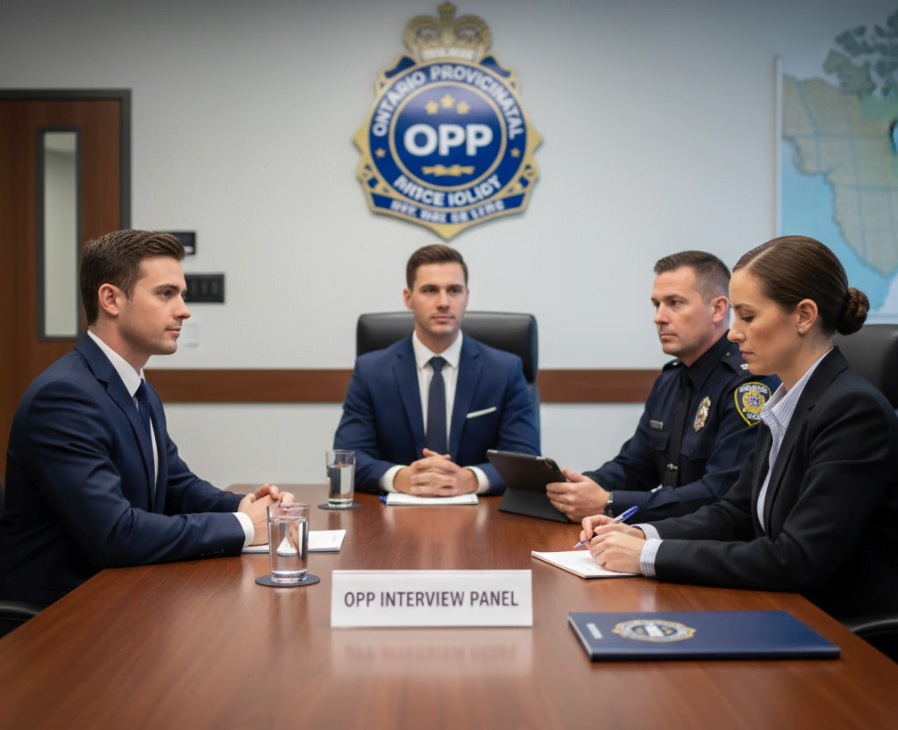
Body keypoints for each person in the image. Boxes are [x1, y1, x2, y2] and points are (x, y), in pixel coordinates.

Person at [582, 236, 898, 622]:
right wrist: (645, 534)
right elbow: (736, 513)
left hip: (839, 629)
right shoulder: (787, 399)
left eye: (747, 316)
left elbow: (796, 558)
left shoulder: (852, 410)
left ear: (803, 316)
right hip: (783, 609)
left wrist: (648, 556)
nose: (733, 333)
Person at [0, 230, 293, 611]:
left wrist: (244, 506)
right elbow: (115, 533)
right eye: (166, 293)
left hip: (123, 597)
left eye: (182, 294)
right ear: (110, 299)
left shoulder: (136, 386)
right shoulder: (63, 397)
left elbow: (173, 483)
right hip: (61, 619)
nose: (184, 309)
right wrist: (245, 527)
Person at [547, 251, 778, 523]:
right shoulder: (670, 379)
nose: (659, 317)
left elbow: (719, 493)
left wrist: (608, 503)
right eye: (657, 304)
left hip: (719, 546)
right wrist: (576, 489)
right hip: (672, 536)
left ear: (717, 309)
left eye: (675, 303)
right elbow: (635, 466)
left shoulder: (748, 383)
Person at [333, 244, 540, 496]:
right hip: (392, 518)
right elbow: (347, 457)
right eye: (430, 290)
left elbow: (525, 458)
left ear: (467, 296)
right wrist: (399, 477)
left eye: (454, 290)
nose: (443, 302)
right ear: (408, 298)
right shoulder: (371, 371)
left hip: (483, 519)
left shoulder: (505, 369)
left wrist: (471, 479)